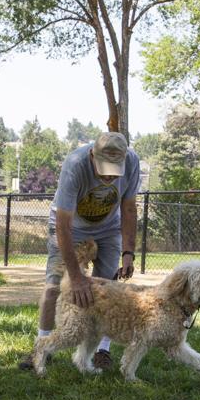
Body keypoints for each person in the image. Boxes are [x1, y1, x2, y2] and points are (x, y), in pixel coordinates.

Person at [19, 131, 141, 371]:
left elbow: (128, 209)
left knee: (108, 289)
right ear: (92, 155)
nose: (108, 175)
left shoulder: (133, 162)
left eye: (113, 169)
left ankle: (101, 352)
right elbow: (63, 224)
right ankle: (40, 347)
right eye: (104, 168)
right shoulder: (75, 165)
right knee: (55, 286)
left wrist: (128, 252)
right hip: (71, 227)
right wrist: (75, 277)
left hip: (109, 228)